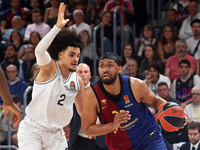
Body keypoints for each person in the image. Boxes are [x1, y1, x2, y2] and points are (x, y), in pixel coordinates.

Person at [17, 3, 85, 149]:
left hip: (56, 134)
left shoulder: (77, 80)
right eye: (71, 55)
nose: (75, 59)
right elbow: (39, 52)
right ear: (60, 54)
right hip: (33, 130)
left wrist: (93, 124)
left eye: (78, 56)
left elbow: (82, 110)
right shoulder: (50, 69)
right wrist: (57, 27)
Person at [81, 52, 169, 150]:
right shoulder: (91, 93)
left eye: (110, 65)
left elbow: (156, 101)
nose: (105, 70)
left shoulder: (135, 85)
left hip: (148, 138)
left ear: (119, 69)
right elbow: (87, 129)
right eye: (101, 66)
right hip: (121, 146)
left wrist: (173, 111)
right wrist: (112, 125)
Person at [69, 63, 108, 150]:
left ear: (90, 75)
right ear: (75, 74)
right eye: (80, 72)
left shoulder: (100, 91)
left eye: (85, 72)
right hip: (77, 138)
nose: (83, 74)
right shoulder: (70, 91)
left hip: (98, 139)